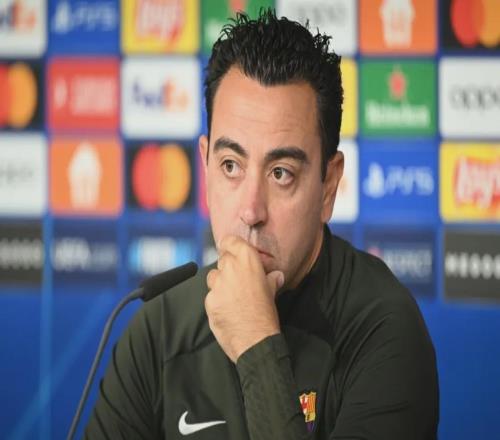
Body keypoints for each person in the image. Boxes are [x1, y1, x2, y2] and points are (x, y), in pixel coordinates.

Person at [84, 9, 439, 439]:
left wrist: (256, 342)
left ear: (328, 185)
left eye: (280, 173)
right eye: (230, 165)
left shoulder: (384, 329)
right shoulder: (158, 330)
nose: (251, 211)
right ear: (205, 165)